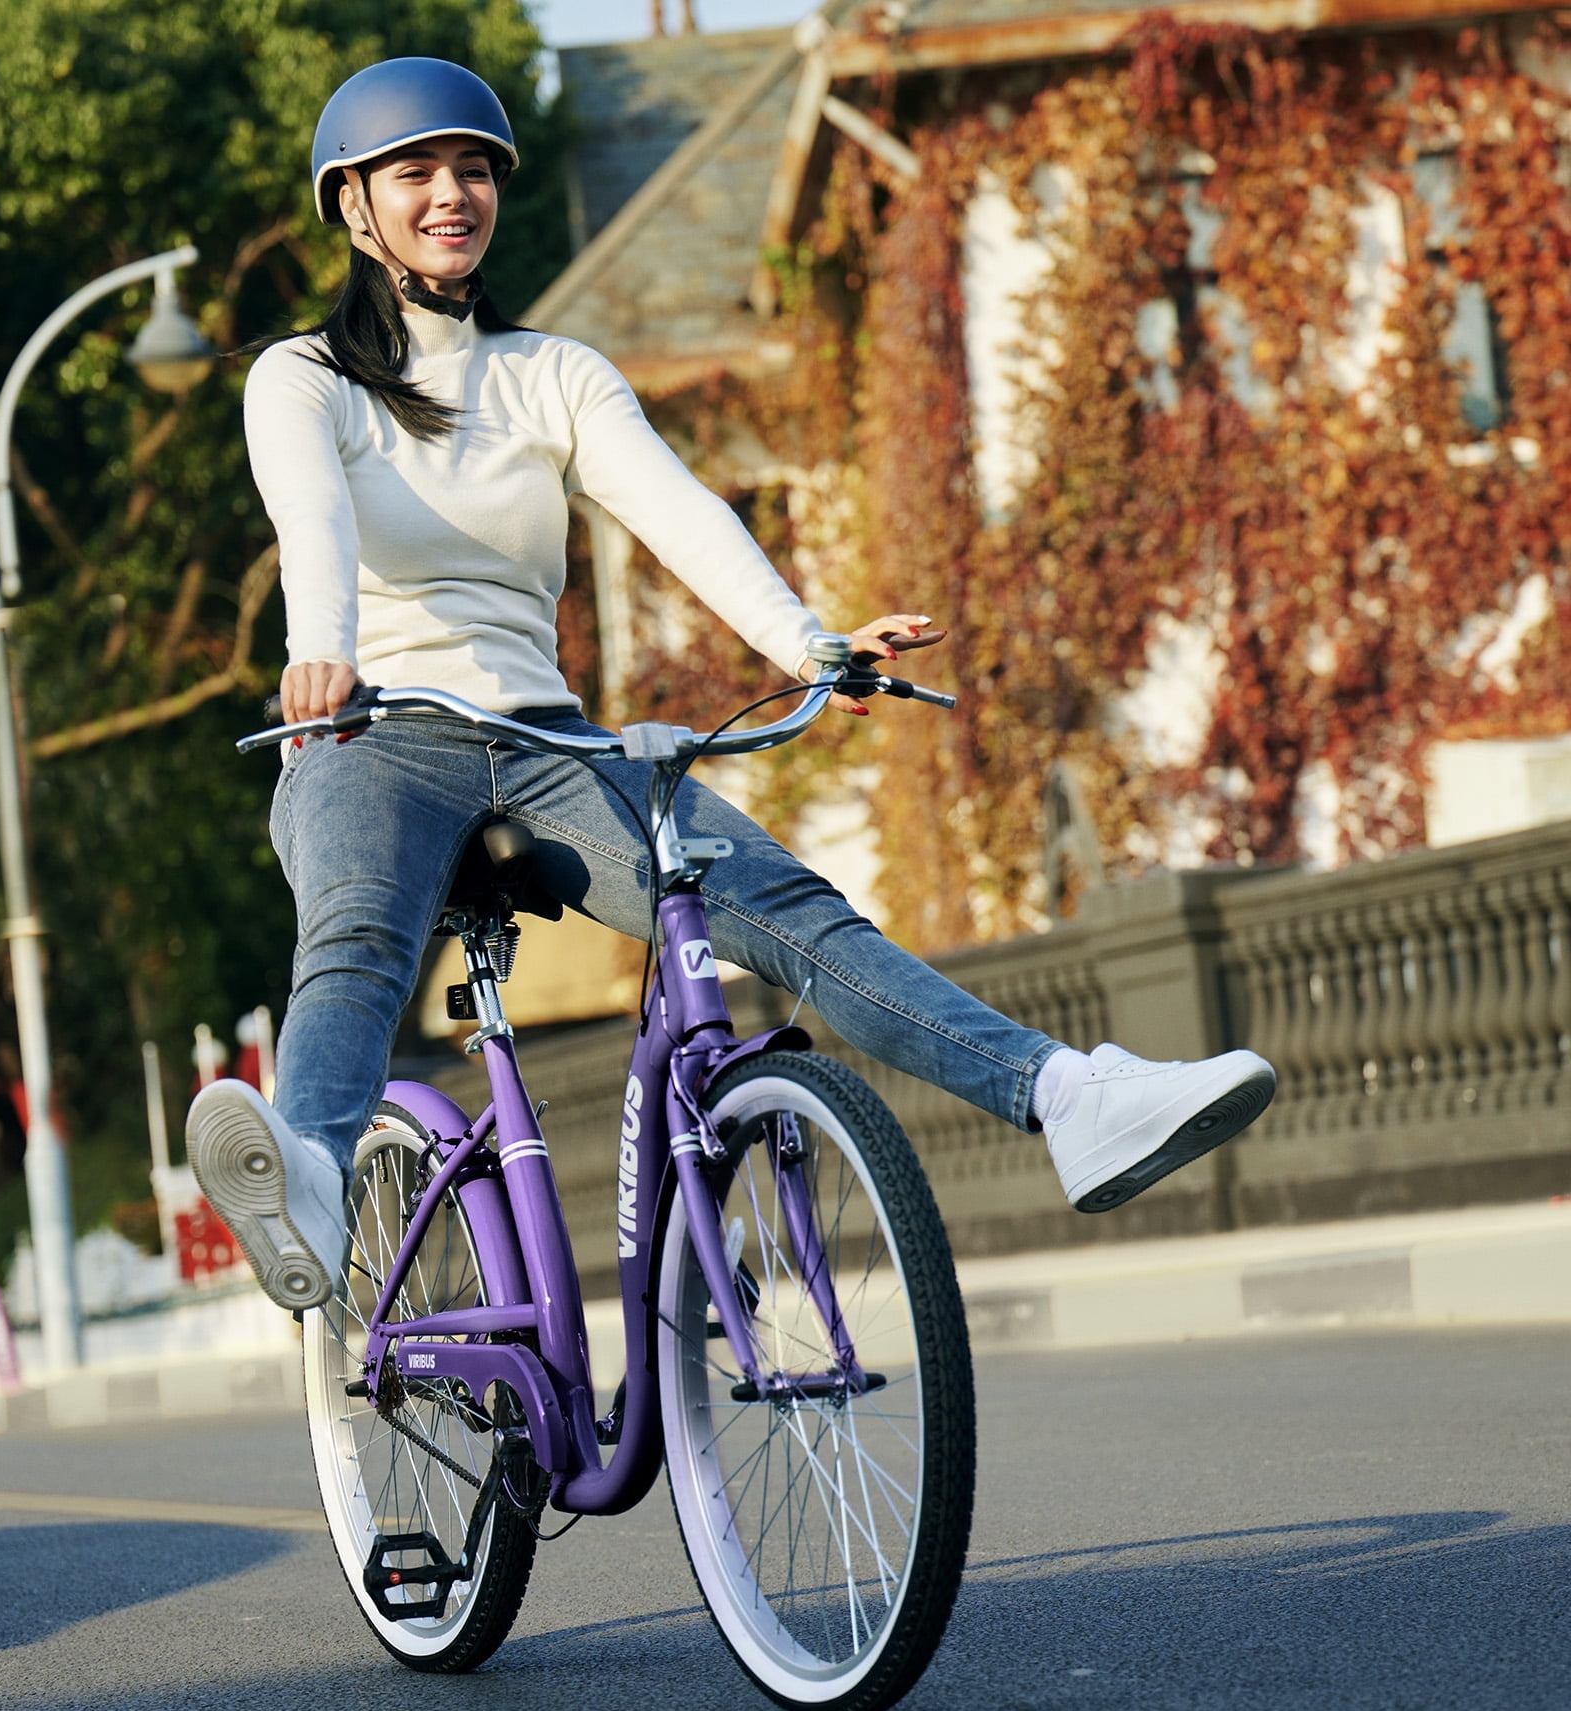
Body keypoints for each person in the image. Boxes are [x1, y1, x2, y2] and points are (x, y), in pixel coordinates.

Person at [187, 59, 1275, 1311]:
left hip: (546, 746)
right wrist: (317, 651)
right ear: (355, 205)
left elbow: (682, 516)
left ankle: (1065, 1094)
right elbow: (311, 519)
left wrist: (808, 646)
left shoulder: (554, 375)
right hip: (371, 730)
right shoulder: (304, 378)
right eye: (417, 171)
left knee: (787, 907)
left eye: (475, 168)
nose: (454, 193)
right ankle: (310, 1185)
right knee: (358, 933)